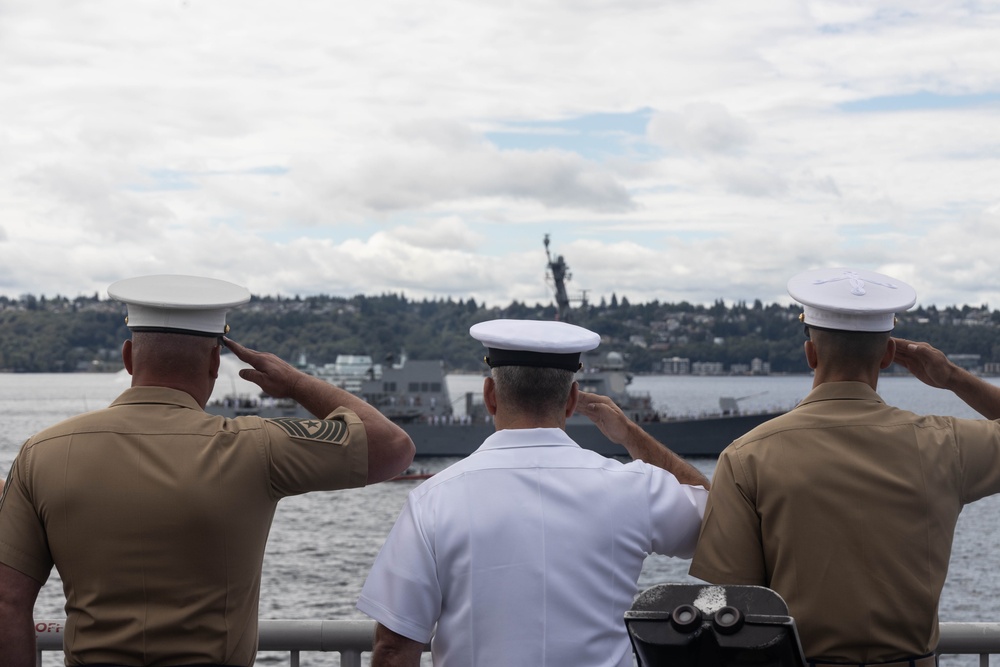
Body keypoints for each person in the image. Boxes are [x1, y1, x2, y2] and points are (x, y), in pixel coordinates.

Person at [0, 274, 415, 667]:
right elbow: (394, 447)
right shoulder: (255, 446)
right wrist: (295, 384)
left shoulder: (43, 452)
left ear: (128, 357)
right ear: (216, 363)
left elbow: (8, 601)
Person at [690, 267, 1000, 666]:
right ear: (888, 355)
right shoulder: (947, 444)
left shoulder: (746, 456)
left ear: (810, 353)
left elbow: (733, 601)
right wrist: (952, 378)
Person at [356, 318, 710, 667]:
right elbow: (714, 518)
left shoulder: (432, 500)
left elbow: (393, 649)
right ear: (572, 400)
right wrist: (631, 433)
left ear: (490, 396)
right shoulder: (633, 487)